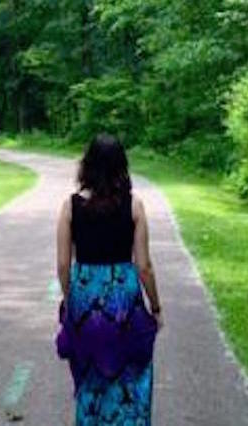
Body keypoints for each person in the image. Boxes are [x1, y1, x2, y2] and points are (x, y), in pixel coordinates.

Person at [55, 134, 162, 425]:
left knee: (89, 377)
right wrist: (156, 307)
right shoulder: (134, 206)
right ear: (121, 166)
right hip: (123, 302)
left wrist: (69, 299)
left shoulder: (70, 206)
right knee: (132, 372)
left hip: (84, 302)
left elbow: (63, 264)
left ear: (87, 165)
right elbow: (144, 267)